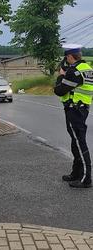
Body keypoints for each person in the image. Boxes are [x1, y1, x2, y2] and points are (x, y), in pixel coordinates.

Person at [54, 44, 93, 188]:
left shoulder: (73, 72)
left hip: (74, 110)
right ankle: (76, 173)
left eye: (66, 57)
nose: (66, 60)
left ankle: (86, 178)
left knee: (79, 142)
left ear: (70, 56)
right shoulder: (88, 69)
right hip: (83, 108)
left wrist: (61, 76)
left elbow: (59, 91)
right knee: (75, 141)